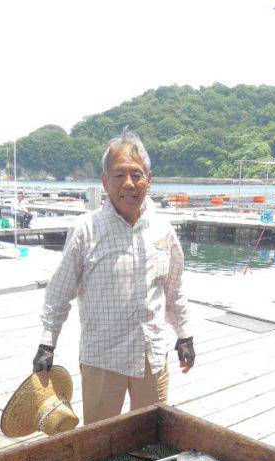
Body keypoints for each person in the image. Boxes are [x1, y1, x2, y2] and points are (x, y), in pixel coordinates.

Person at [32, 128, 195, 425]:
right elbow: (59, 291)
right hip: (103, 358)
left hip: (152, 356)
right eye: (119, 175)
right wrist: (47, 343)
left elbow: (173, 290)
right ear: (105, 181)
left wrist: (184, 336)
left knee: (152, 435)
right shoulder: (86, 229)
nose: (129, 184)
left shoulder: (163, 230)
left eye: (136, 175)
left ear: (149, 179)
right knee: (101, 438)